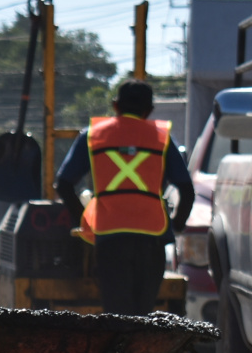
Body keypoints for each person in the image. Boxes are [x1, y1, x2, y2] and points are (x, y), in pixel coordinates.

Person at [56, 79, 195, 316]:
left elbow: (64, 184)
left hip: (111, 239)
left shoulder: (93, 135)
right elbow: (187, 190)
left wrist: (83, 220)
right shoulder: (161, 138)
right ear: (149, 110)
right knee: (142, 315)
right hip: (152, 239)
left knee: (118, 316)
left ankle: (120, 352)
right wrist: (177, 225)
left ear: (115, 106)